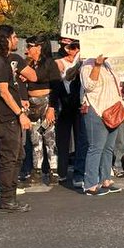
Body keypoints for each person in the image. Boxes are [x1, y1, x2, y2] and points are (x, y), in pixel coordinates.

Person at [0, 25, 31, 214]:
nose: (16, 40)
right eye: (14, 37)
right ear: (4, 39)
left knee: (17, 156)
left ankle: (10, 197)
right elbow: (3, 92)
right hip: (7, 118)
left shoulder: (4, 60)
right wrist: (20, 114)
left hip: (12, 116)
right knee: (9, 159)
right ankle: (7, 200)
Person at [80, 49, 124, 196]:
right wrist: (97, 65)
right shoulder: (87, 65)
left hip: (112, 111)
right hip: (96, 110)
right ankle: (90, 184)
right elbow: (89, 86)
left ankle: (106, 180)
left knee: (108, 148)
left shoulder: (108, 64)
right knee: (96, 147)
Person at [20, 35, 63, 186]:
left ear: (38, 47)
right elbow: (22, 84)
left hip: (46, 102)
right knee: (35, 139)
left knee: (49, 137)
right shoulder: (28, 64)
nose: (27, 50)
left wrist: (51, 107)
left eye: (29, 46)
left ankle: (53, 171)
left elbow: (56, 86)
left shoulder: (50, 63)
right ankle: (36, 170)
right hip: (32, 105)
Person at [54, 38, 86, 186]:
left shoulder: (86, 61)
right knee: (63, 139)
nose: (75, 50)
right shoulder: (59, 62)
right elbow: (68, 76)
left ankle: (79, 173)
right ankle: (61, 171)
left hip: (79, 104)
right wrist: (77, 64)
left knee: (81, 139)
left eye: (78, 47)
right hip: (64, 104)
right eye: (72, 47)